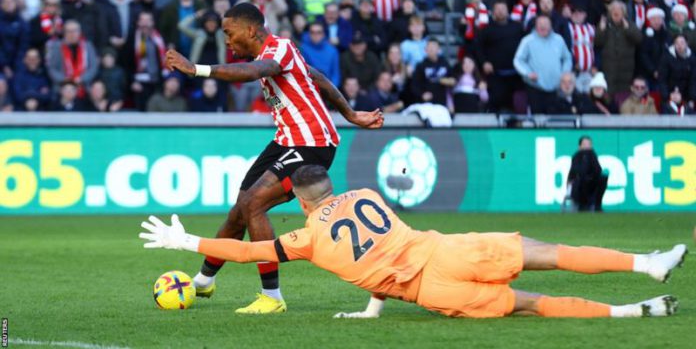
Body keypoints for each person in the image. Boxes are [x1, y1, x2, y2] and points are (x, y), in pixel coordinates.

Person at [140, 165, 687, 319]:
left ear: (299, 200)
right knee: (546, 254)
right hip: (444, 248)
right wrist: (371, 310)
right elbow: (382, 245)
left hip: (430, 288)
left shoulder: (306, 237)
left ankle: (630, 313)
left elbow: (250, 251)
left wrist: (185, 241)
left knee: (531, 305)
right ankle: (648, 262)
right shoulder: (367, 194)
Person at [164, 2, 384, 314]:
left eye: (230, 33)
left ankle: (273, 296)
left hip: (312, 143)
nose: (227, 41)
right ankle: (203, 280)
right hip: (286, 141)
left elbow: (255, 72)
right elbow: (316, 77)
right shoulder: (273, 54)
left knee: (254, 204)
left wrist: (196, 69)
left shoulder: (278, 49)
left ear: (250, 30)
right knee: (241, 207)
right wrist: (349, 113)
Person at [513, 15, 572, 114]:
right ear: (535, 26)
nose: (543, 26)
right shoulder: (527, 40)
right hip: (535, 87)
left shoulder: (559, 40)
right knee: (538, 119)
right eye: (540, 24)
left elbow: (567, 58)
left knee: (555, 117)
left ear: (551, 26)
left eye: (545, 24)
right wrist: (527, 73)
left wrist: (565, 73)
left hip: (556, 87)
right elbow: (518, 60)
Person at [474, 0, 524, 112]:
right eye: (498, 9)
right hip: (496, 75)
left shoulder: (517, 27)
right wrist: (484, 62)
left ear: (508, 11)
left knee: (518, 105)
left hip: (517, 75)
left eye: (503, 9)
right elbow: (478, 48)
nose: (501, 12)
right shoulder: (486, 30)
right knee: (496, 102)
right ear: (493, 12)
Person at [595, 1, 643, 96]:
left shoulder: (630, 24)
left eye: (619, 10)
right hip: (609, 69)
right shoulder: (604, 24)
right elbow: (597, 43)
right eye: (613, 10)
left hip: (626, 71)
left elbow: (639, 39)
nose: (616, 12)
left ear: (623, 13)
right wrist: (601, 30)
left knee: (623, 96)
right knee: (609, 96)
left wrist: (627, 29)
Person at [45, 19, 99, 93]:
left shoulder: (88, 46)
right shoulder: (56, 47)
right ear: (64, 33)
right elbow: (52, 68)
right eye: (69, 31)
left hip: (84, 87)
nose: (72, 34)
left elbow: (93, 67)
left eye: (75, 31)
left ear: (80, 32)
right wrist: (64, 79)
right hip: (63, 88)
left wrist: (82, 79)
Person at [566, 136, 609, 212]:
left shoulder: (593, 155)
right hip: (580, 185)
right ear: (580, 146)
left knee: (603, 178)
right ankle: (583, 205)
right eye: (585, 144)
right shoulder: (576, 157)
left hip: (592, 183)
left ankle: (597, 205)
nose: (587, 146)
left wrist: (592, 177)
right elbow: (576, 171)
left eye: (589, 144)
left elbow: (598, 169)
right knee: (583, 180)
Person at [411, 38, 451, 107]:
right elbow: (415, 85)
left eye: (434, 47)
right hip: (426, 104)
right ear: (425, 50)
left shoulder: (445, 63)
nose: (431, 49)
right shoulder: (421, 65)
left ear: (439, 49)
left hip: (443, 104)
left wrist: (445, 81)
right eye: (429, 47)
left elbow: (453, 79)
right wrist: (422, 94)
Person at [658, 34, 696, 105]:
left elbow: (693, 80)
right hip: (669, 95)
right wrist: (666, 96)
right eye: (677, 43)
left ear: (687, 44)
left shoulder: (692, 58)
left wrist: (692, 98)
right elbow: (662, 79)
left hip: (686, 96)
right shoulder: (666, 57)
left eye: (682, 43)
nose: (679, 45)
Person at [301, 21, 341, 87]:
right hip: (309, 87)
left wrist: (331, 89)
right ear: (309, 34)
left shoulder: (333, 51)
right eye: (312, 32)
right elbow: (302, 72)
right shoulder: (303, 49)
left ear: (323, 34)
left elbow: (335, 74)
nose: (315, 35)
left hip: (329, 88)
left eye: (319, 32)